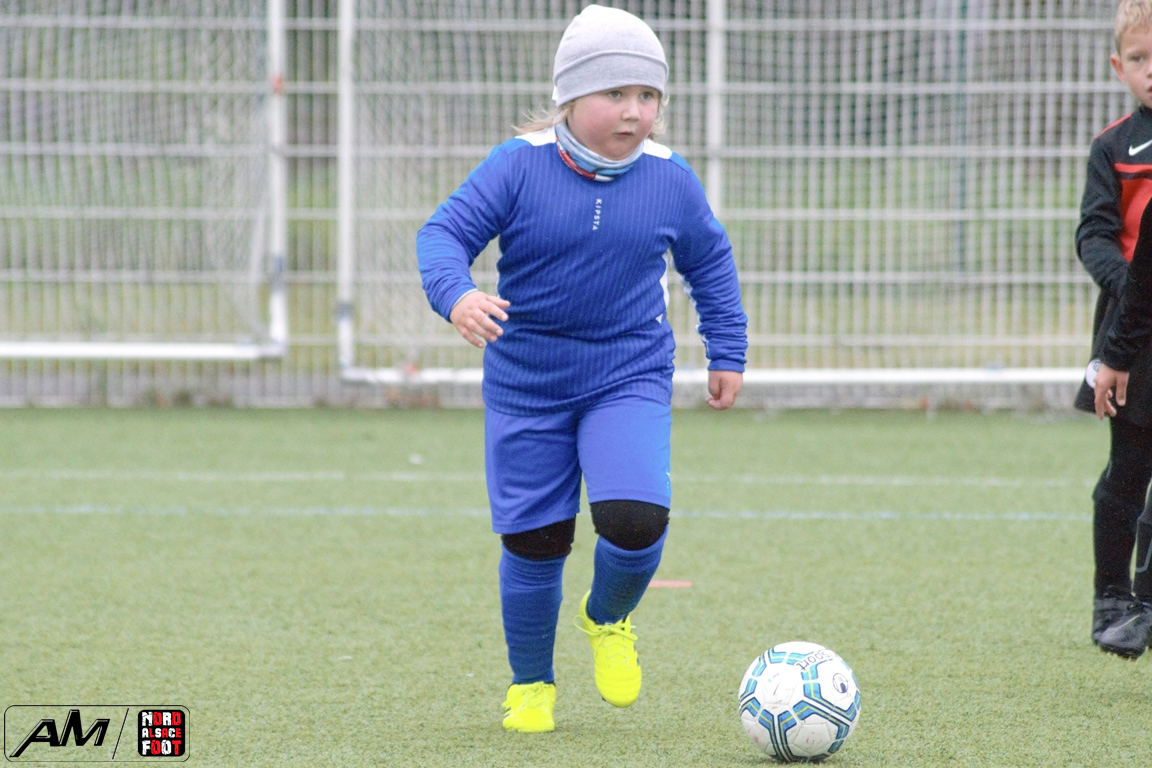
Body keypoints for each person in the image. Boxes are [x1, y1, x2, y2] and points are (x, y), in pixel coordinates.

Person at [416, 5, 748, 732]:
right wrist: (458, 295)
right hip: (526, 384)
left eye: (648, 95)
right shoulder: (517, 164)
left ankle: (607, 618)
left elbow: (711, 265)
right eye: (616, 94)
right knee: (537, 540)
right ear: (570, 96)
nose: (634, 112)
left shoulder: (670, 178)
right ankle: (531, 685)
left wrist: (727, 349)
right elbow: (443, 233)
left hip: (626, 373)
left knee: (635, 519)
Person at [1074, 0, 1152, 654]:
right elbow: (1094, 234)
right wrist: (1138, 290)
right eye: (1139, 58)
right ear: (1117, 66)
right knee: (1127, 471)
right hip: (1132, 333)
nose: (1151, 69)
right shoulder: (1114, 146)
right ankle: (1112, 598)